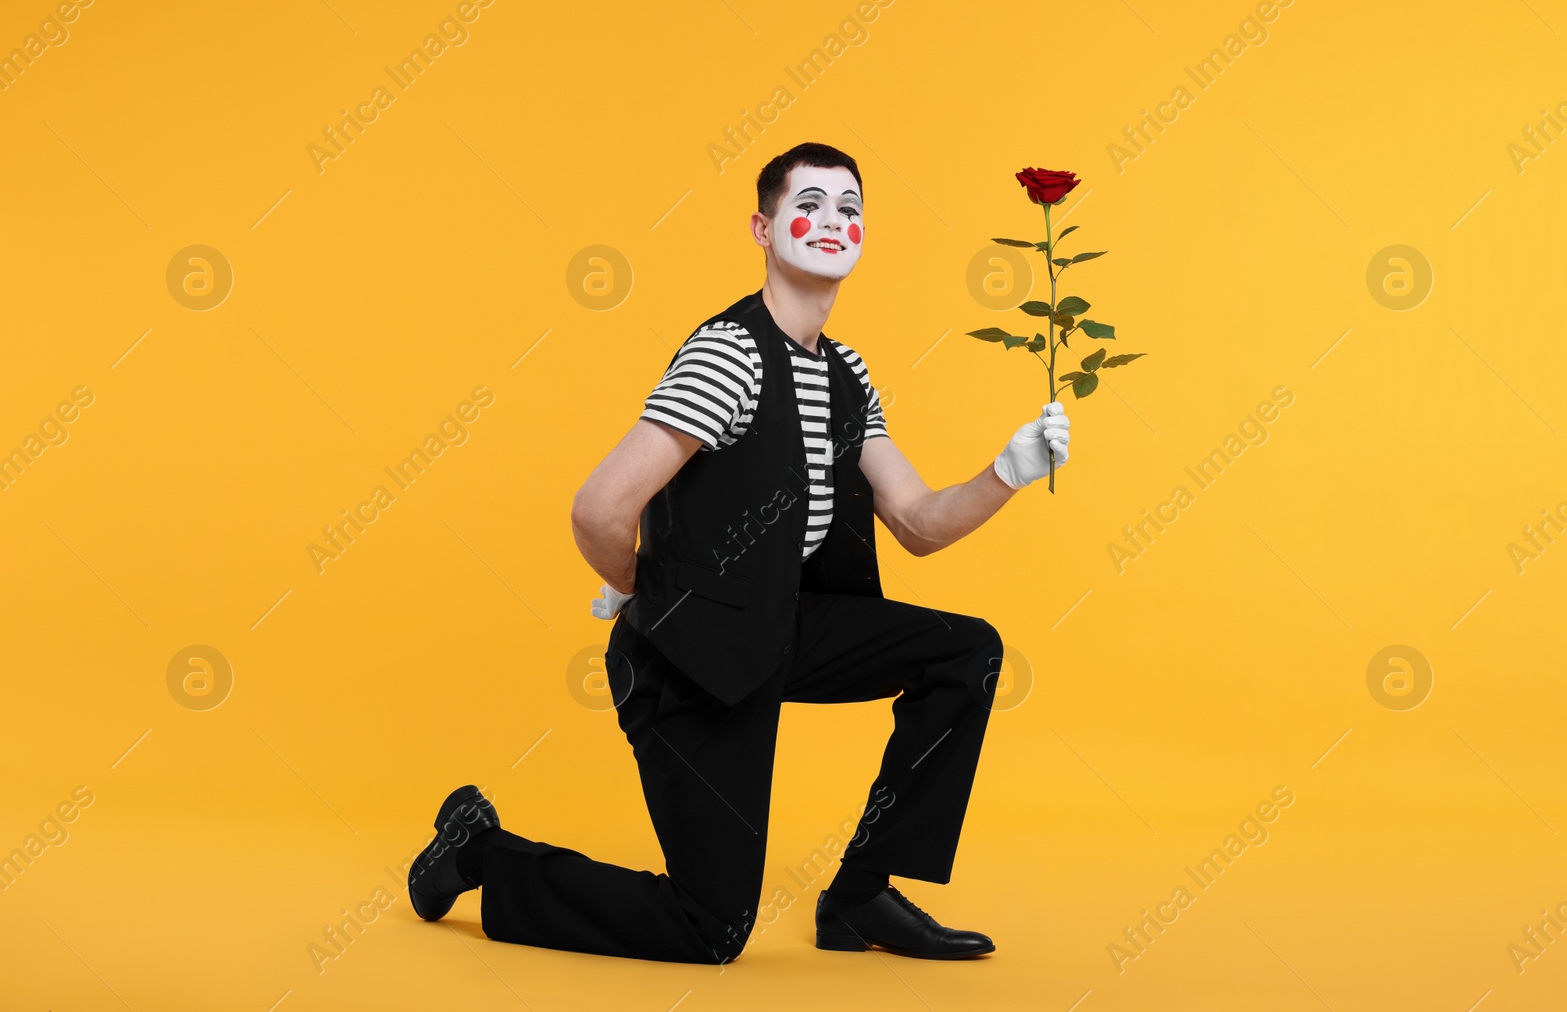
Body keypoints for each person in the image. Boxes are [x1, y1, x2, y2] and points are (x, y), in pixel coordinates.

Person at [408, 142, 1070, 964]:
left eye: (851, 209)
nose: (835, 222)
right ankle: (478, 850)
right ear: (762, 227)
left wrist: (1008, 471)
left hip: (780, 630)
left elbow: (918, 523)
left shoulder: (847, 374)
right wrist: (641, 591)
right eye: (814, 204)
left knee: (964, 652)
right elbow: (600, 509)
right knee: (710, 926)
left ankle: (860, 894)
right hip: (693, 656)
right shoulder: (733, 355)